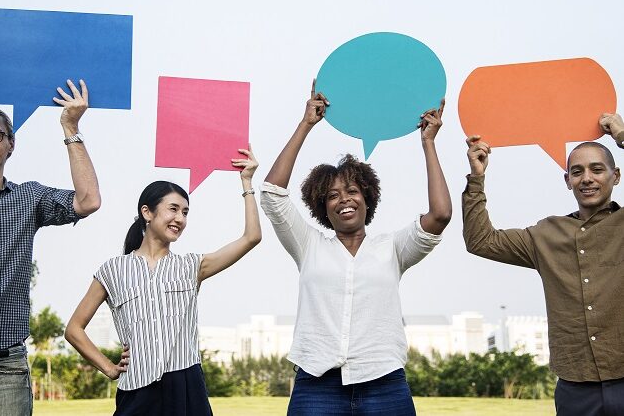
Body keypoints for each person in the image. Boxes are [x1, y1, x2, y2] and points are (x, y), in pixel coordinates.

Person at [260, 81, 452, 415]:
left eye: (351, 191)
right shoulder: (308, 245)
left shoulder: (392, 247)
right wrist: (306, 124)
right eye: (332, 195)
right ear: (323, 207)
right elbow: (272, 194)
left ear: (367, 197)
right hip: (316, 385)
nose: (344, 200)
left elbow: (441, 215)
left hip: (384, 384)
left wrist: (428, 143)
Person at [0, 79, 101, 415]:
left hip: (2, 373)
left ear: (11, 145)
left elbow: (88, 200)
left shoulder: (29, 198)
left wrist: (70, 126)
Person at [65, 147, 261, 416]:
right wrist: (109, 368)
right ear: (147, 212)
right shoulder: (113, 270)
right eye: (173, 209)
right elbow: (74, 329)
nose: (180, 219)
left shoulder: (192, 266)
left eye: (185, 212)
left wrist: (247, 183)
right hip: (136, 390)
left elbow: (251, 237)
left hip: (186, 385)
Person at [463, 113, 624, 415]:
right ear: (567, 181)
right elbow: (480, 241)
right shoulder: (545, 235)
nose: (586, 178)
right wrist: (477, 177)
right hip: (575, 387)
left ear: (615, 176)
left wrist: (622, 135)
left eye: (597, 169)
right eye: (577, 171)